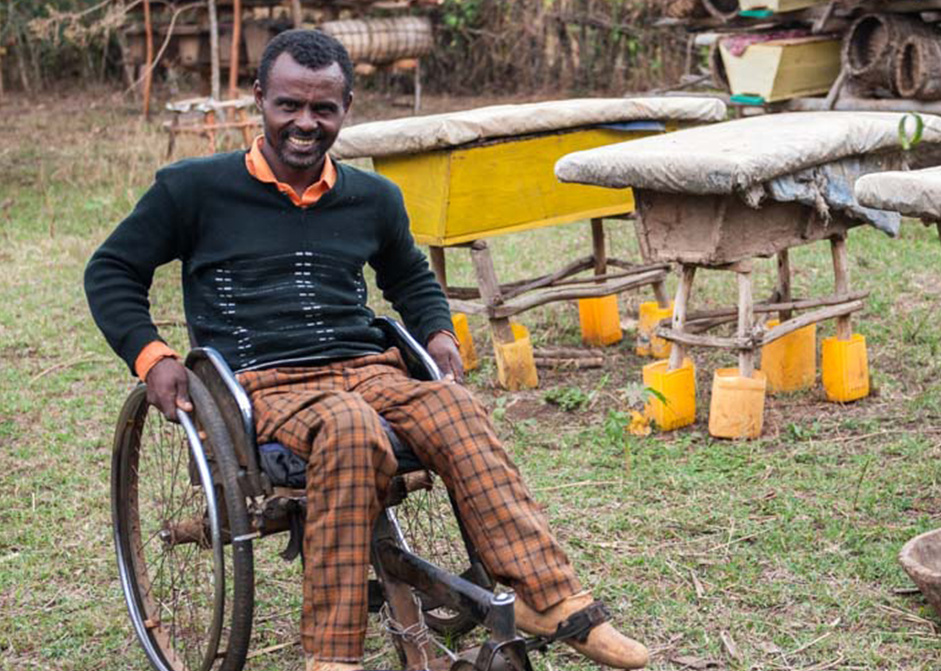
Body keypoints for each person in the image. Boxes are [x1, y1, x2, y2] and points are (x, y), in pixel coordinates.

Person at [85, 29, 648, 671]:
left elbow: (408, 276)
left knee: (455, 408)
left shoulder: (372, 197)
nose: (305, 123)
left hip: (365, 367)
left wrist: (436, 333)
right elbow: (110, 271)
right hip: (259, 385)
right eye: (289, 105)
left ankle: (553, 602)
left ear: (346, 107)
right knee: (351, 429)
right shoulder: (193, 189)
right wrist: (152, 355)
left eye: (323, 109)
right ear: (260, 98)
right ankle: (333, 656)